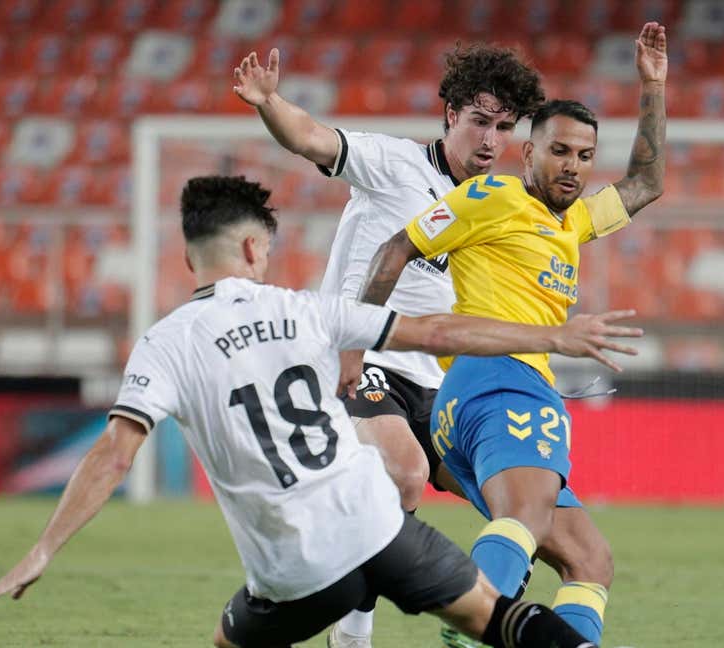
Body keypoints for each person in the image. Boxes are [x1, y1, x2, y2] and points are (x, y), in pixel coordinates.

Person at [0, 176, 642, 648]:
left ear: (189, 254)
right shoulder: (307, 309)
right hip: (382, 530)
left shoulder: (163, 343)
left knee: (233, 639)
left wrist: (43, 548)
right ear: (256, 248)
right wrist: (554, 335)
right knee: (497, 620)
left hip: (297, 567)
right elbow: (439, 332)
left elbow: (113, 455)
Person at [355, 23, 669, 647]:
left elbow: (646, 184)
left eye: (584, 156)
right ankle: (475, 628)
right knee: (523, 515)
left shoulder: (572, 220)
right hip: (498, 381)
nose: (573, 167)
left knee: (589, 561)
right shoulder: (491, 197)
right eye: (558, 151)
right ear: (526, 152)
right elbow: (396, 249)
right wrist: (354, 338)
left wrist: (653, 87)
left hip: (486, 399)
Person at [232, 43, 545, 647]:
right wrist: (270, 103)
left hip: (442, 382)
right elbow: (311, 139)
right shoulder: (393, 164)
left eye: (504, 127)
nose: (490, 139)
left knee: (528, 504)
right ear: (449, 114)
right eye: (480, 121)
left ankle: (490, 619)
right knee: (401, 472)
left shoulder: (496, 205)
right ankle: (351, 636)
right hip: (363, 360)